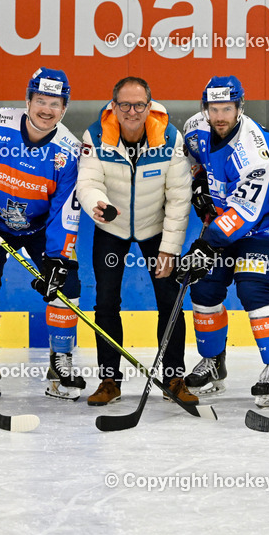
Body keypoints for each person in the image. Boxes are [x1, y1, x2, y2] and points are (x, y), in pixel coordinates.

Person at [0, 68, 84, 401]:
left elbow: (65, 211)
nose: (47, 109)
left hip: (39, 229)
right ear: (27, 100)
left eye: (55, 103)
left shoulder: (68, 152)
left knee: (66, 285)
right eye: (40, 100)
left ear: (64, 108)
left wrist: (58, 257)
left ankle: (60, 363)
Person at [176, 76, 269, 408]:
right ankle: (213, 364)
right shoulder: (195, 128)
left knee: (254, 291)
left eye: (227, 109)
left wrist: (207, 243)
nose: (220, 116)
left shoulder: (254, 150)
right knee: (203, 287)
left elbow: (245, 210)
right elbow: (195, 161)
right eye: (214, 109)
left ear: (240, 108)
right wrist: (200, 183)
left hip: (265, 227)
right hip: (225, 223)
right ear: (205, 109)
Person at [76, 76, 194, 406]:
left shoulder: (170, 137)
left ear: (149, 106)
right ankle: (109, 381)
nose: (131, 111)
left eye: (139, 104)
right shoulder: (96, 136)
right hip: (111, 226)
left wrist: (169, 248)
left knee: (170, 301)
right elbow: (87, 182)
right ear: (113, 106)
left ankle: (174, 378)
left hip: (155, 227)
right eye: (124, 104)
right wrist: (96, 203)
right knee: (106, 302)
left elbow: (179, 197)